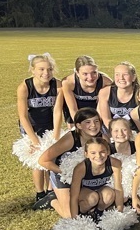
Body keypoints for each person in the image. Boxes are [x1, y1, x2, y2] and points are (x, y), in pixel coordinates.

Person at [37, 108, 106, 217]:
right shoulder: (70, 139)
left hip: (83, 176)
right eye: (88, 122)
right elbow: (43, 160)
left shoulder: (102, 138)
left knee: (92, 199)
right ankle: (52, 200)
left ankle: (83, 210)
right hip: (63, 176)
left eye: (96, 121)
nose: (93, 125)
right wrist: (65, 173)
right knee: (69, 216)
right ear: (78, 125)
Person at [17, 53, 64, 203]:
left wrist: (55, 135)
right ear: (33, 70)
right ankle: (40, 193)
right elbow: (23, 116)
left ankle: (51, 190)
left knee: (51, 157)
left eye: (49, 69)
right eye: (41, 69)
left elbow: (57, 111)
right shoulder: (25, 87)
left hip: (49, 126)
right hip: (31, 127)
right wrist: (34, 140)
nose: (46, 73)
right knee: (38, 159)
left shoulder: (57, 85)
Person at [69, 137, 123, 221]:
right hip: (85, 195)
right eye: (93, 153)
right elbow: (74, 196)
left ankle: (98, 213)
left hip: (102, 191)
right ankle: (83, 214)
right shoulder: (81, 168)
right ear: (86, 154)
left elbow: (118, 189)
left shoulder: (115, 163)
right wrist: (74, 221)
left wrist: (120, 212)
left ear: (108, 152)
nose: (98, 156)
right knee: (92, 198)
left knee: (109, 194)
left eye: (102, 152)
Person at [59, 55, 112, 123]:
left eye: (94, 72)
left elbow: (102, 110)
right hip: (77, 108)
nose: (90, 78)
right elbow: (73, 109)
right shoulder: (68, 83)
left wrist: (96, 124)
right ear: (77, 73)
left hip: (96, 108)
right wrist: (79, 125)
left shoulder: (106, 83)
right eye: (85, 74)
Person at [97, 61, 140, 130]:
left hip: (136, 132)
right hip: (112, 131)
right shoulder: (105, 92)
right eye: (117, 74)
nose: (121, 78)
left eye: (125, 74)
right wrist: (117, 133)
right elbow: (106, 119)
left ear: (133, 77)